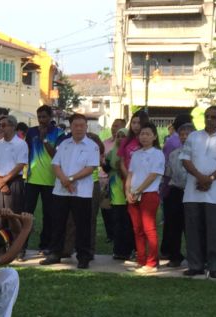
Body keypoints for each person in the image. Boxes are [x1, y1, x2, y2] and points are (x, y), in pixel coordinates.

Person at [180, 106, 216, 278]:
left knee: (214, 230)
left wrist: (210, 179)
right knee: (193, 229)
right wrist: (200, 177)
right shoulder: (193, 136)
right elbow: (185, 159)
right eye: (207, 116)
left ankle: (214, 266)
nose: (209, 120)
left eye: (213, 117)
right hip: (193, 189)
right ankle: (195, 265)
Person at [42, 113, 100, 269]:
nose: (79, 128)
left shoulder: (92, 146)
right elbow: (55, 164)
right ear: (71, 127)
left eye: (82, 125)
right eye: (76, 125)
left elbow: (90, 167)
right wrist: (65, 180)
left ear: (87, 127)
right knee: (58, 223)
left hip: (82, 192)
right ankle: (55, 253)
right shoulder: (64, 144)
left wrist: (71, 179)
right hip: (61, 190)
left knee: (82, 226)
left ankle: (83, 256)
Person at [23, 105, 64, 256]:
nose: (41, 120)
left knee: (49, 215)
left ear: (50, 117)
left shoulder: (59, 133)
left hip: (51, 180)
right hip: (32, 180)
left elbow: (56, 156)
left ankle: (45, 245)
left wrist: (45, 140)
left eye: (44, 117)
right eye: (39, 117)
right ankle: (22, 246)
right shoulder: (31, 132)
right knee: (27, 214)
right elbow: (26, 152)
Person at [124, 121, 165, 274]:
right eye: (142, 134)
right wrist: (128, 191)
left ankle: (152, 262)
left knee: (149, 229)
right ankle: (141, 259)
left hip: (148, 194)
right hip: (134, 194)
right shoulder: (136, 154)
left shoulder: (157, 154)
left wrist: (139, 190)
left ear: (154, 136)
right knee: (137, 229)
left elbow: (153, 175)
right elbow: (130, 174)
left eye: (148, 134)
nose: (144, 137)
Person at [0, 115, 27, 234]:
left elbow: (20, 165)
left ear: (13, 127)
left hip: (14, 181)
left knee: (14, 214)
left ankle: (17, 246)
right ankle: (1, 246)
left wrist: (4, 180)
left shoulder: (21, 144)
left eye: (4, 125)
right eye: (0, 125)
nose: (1, 128)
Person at [161, 123, 194, 267]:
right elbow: (168, 175)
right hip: (175, 191)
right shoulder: (174, 154)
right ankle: (175, 255)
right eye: (182, 134)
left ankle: (195, 257)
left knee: (192, 227)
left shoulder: (198, 154)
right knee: (174, 226)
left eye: (188, 134)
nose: (184, 137)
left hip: (193, 192)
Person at [105, 128, 134, 260]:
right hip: (115, 188)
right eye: (119, 136)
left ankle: (128, 249)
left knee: (128, 221)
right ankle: (118, 250)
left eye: (124, 136)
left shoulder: (131, 152)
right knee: (117, 220)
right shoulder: (112, 152)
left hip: (128, 188)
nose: (121, 139)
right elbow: (107, 168)